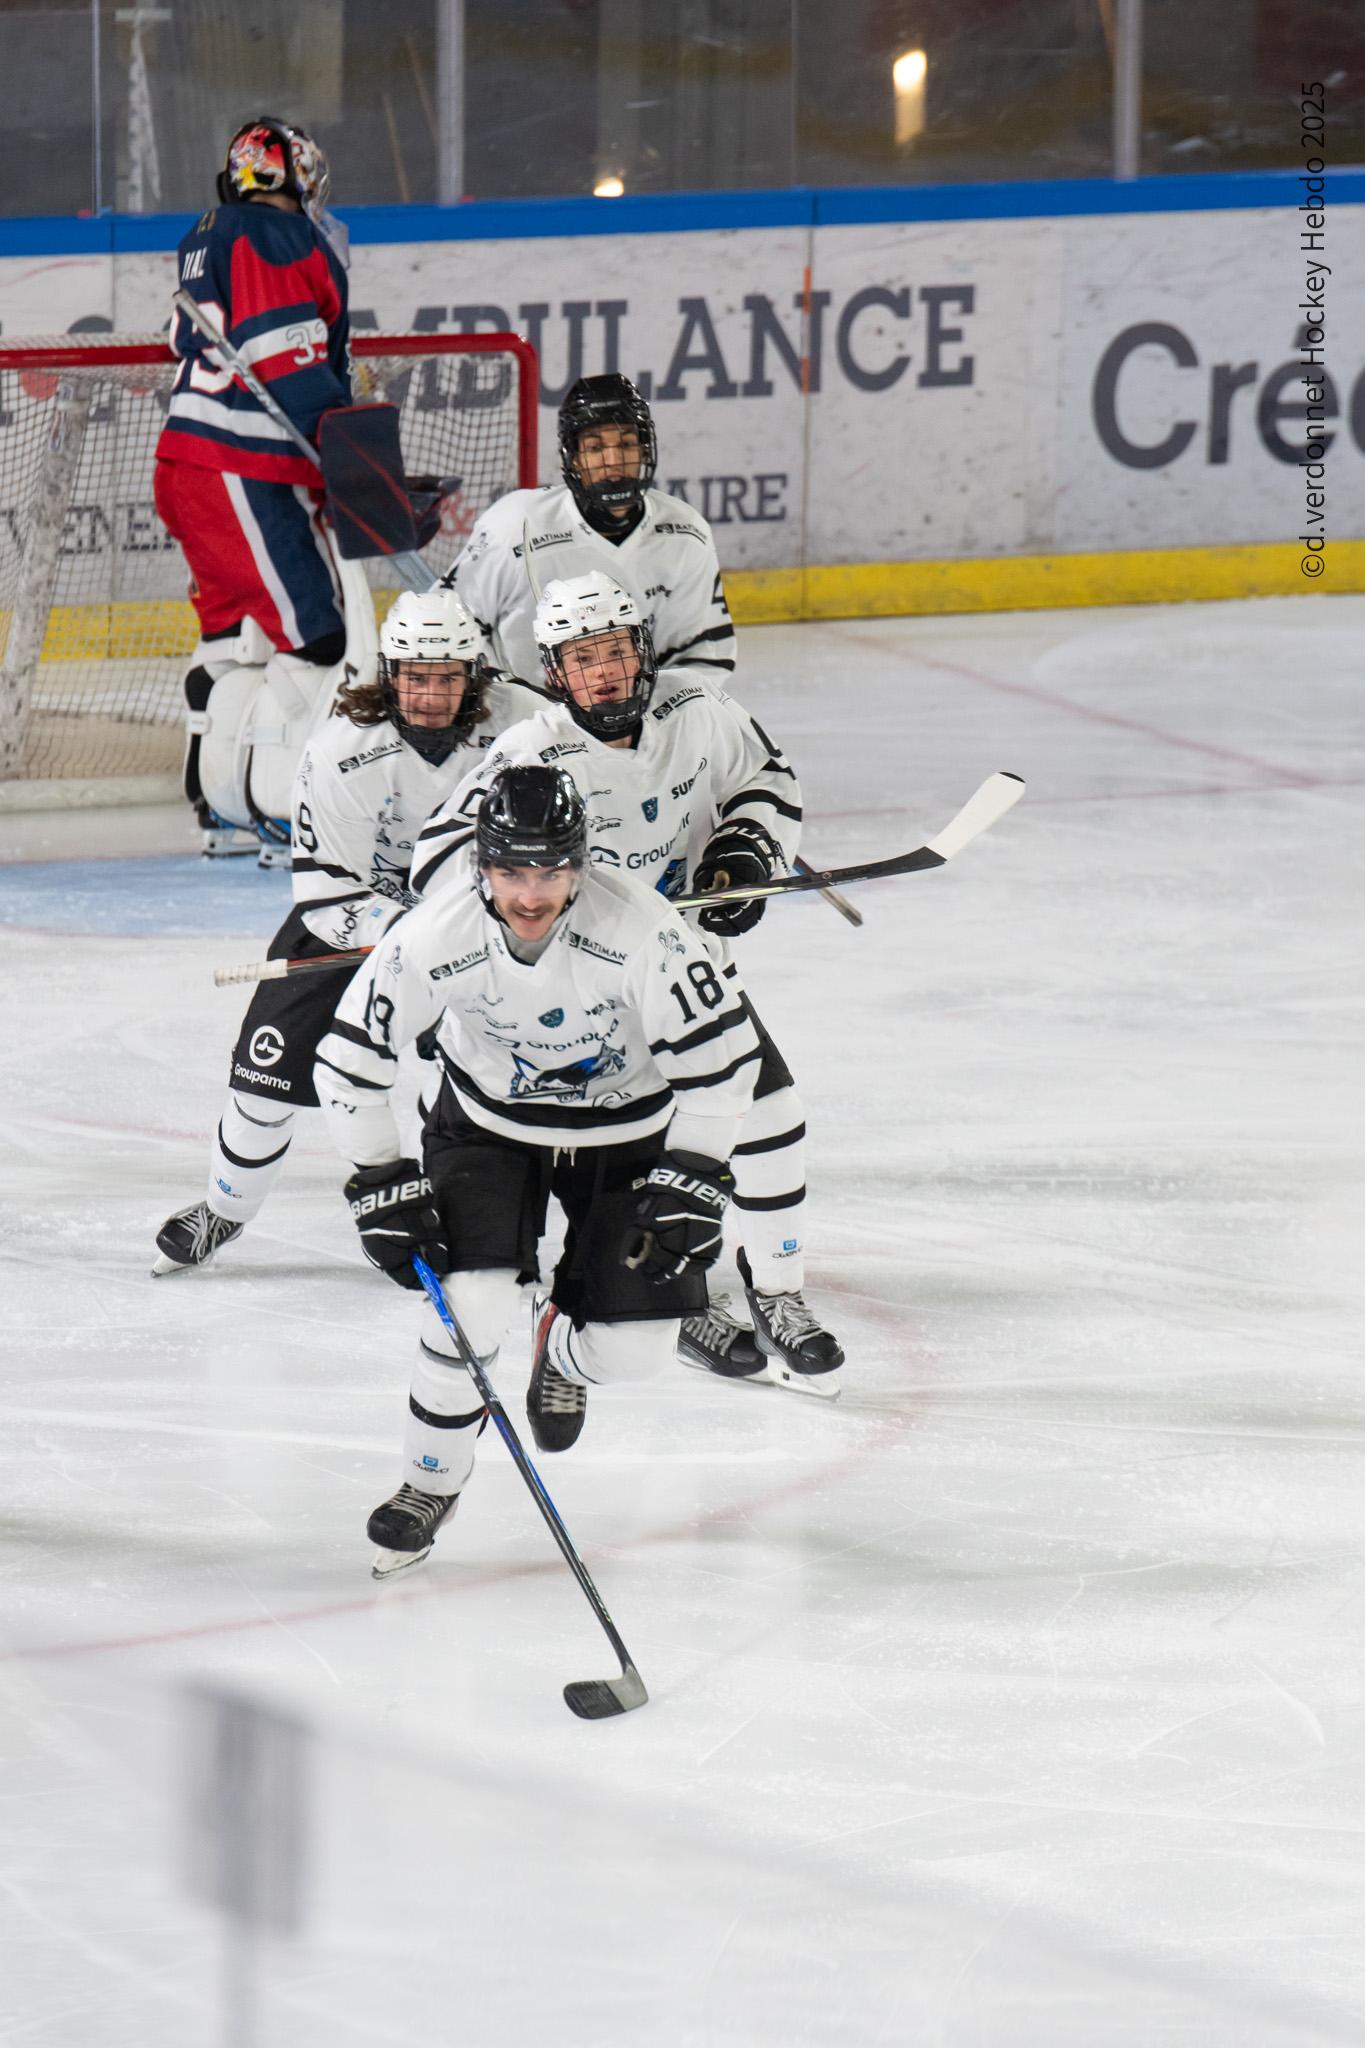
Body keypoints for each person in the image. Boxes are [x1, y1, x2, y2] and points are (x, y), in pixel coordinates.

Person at [312, 764, 767, 1577]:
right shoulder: (433, 934)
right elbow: (347, 1066)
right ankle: (430, 1482)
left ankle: (559, 1350)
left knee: (639, 1354)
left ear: (579, 863)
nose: (530, 893)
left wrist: (695, 1173)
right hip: (489, 1130)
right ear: (481, 865)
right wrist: (378, 1182)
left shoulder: (645, 931)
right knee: (471, 1305)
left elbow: (726, 1067)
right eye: (510, 870)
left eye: (550, 870)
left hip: (627, 1137)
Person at [407, 572, 844, 1398]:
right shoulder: (528, 752)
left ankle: (778, 1296)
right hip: (577, 995)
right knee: (636, 1158)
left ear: (640, 649)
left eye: (613, 650)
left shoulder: (698, 711)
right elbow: (439, 862)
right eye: (580, 659)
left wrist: (746, 849)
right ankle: (668, 1309)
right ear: (553, 670)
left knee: (770, 1116)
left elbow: (767, 780)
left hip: (680, 979)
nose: (601, 672)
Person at [151, 587, 539, 1275]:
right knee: (260, 1083)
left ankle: (472, 1213)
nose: (428, 694)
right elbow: (327, 896)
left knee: (471, 1082)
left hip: (482, 931)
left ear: (473, 677)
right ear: (390, 675)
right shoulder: (342, 750)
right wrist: (419, 933)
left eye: (446, 677)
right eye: (414, 677)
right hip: (355, 931)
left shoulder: (521, 726)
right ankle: (224, 1208)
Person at [153, 117, 352, 863]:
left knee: (233, 639)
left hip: (190, 461)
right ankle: (280, 807)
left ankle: (218, 805)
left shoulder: (207, 231)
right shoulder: (275, 237)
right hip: (247, 467)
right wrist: (339, 441)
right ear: (287, 177)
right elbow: (281, 348)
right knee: (318, 640)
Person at [449, 373, 736, 688]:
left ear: (644, 450)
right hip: (522, 722)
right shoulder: (516, 525)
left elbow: (702, 654)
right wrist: (511, 701)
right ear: (573, 457)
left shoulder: (684, 532)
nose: (613, 460)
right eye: (595, 447)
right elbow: (449, 625)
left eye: (626, 444)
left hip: (635, 718)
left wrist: (646, 716)